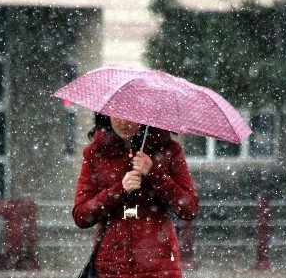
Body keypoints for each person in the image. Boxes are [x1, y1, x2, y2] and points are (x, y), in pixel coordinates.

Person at [72, 113, 199, 278]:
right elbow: (81, 215)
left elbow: (189, 208)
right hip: (110, 265)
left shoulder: (168, 150)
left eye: (130, 115)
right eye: (116, 115)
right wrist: (119, 190)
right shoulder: (95, 153)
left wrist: (154, 173)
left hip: (159, 264)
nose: (123, 122)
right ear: (105, 116)